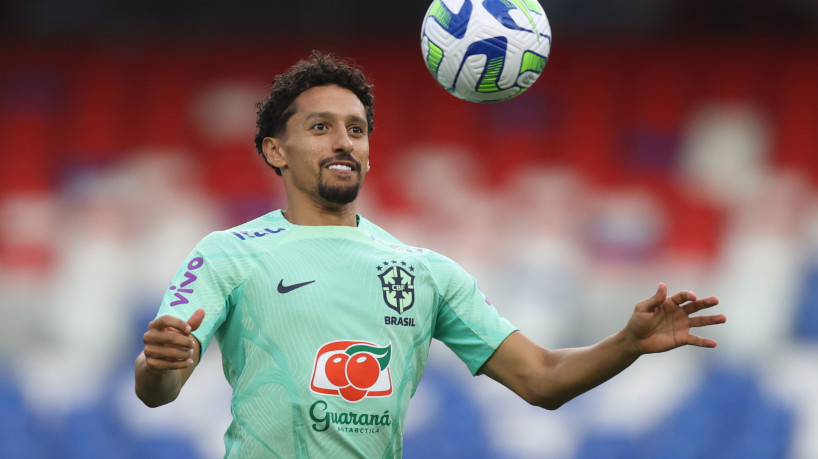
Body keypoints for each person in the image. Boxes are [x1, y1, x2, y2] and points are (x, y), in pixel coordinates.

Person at [135, 51, 726, 458]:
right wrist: (161, 364)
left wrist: (626, 344)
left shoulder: (425, 272)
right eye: (320, 128)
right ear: (275, 151)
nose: (343, 141)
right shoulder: (227, 254)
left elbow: (541, 379)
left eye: (356, 129)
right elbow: (158, 388)